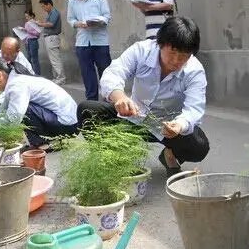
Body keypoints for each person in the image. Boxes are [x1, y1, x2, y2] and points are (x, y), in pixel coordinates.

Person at [76, 16, 209, 177]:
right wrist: (120, 98)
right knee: (87, 109)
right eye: (172, 53)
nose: (176, 61)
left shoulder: (195, 71)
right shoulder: (142, 51)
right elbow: (114, 72)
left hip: (165, 126)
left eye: (184, 57)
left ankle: (170, 156)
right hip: (131, 116)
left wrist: (179, 125)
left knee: (199, 146)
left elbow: (194, 108)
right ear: (160, 44)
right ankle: (112, 158)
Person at [0, 57, 78, 150]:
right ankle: (47, 141)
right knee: (17, 109)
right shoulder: (15, 81)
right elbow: (2, 109)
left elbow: (13, 119)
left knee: (23, 111)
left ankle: (44, 143)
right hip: (67, 121)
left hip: (67, 125)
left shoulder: (17, 85)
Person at [66, 0, 111, 100]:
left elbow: (107, 17)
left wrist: (97, 21)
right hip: (82, 43)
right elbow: (70, 19)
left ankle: (109, 100)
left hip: (100, 42)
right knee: (87, 74)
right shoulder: (72, 2)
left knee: (106, 73)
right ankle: (92, 103)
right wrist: (78, 23)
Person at [36, 0, 65, 84]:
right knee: (53, 59)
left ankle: (61, 78)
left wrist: (40, 24)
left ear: (48, 4)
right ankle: (57, 77)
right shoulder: (50, 13)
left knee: (55, 59)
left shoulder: (54, 12)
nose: (43, 8)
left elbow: (51, 24)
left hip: (52, 37)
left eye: (43, 6)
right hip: (49, 38)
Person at [21, 10, 41, 75]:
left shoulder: (35, 23)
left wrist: (28, 31)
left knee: (34, 59)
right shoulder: (26, 24)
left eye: (28, 16)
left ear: (32, 16)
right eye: (26, 17)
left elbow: (38, 33)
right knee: (28, 58)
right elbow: (26, 33)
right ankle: (30, 73)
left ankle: (37, 74)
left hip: (33, 41)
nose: (27, 18)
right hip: (27, 42)